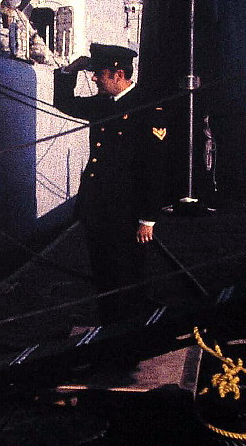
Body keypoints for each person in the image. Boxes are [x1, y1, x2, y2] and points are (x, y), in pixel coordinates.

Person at [53, 43, 169, 324]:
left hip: (127, 212)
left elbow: (153, 168)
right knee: (103, 275)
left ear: (118, 75)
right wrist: (70, 70)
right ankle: (110, 330)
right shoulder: (103, 105)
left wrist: (148, 219)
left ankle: (128, 337)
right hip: (98, 209)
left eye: (99, 74)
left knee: (126, 276)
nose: (94, 79)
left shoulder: (148, 108)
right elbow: (64, 103)